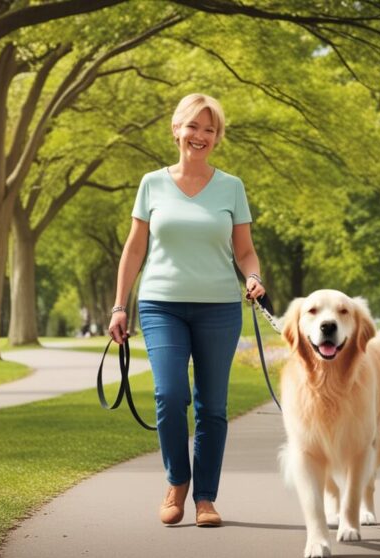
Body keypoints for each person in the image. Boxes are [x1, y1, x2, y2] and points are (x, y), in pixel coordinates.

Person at [108, 94, 266, 528]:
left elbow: (246, 251)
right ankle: (177, 482)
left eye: (209, 129)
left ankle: (206, 499)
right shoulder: (151, 183)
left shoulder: (231, 186)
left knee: (212, 406)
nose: (200, 136)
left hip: (219, 308)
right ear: (176, 129)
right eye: (193, 126)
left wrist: (253, 278)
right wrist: (120, 305)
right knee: (170, 394)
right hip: (161, 305)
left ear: (217, 137)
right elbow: (134, 248)